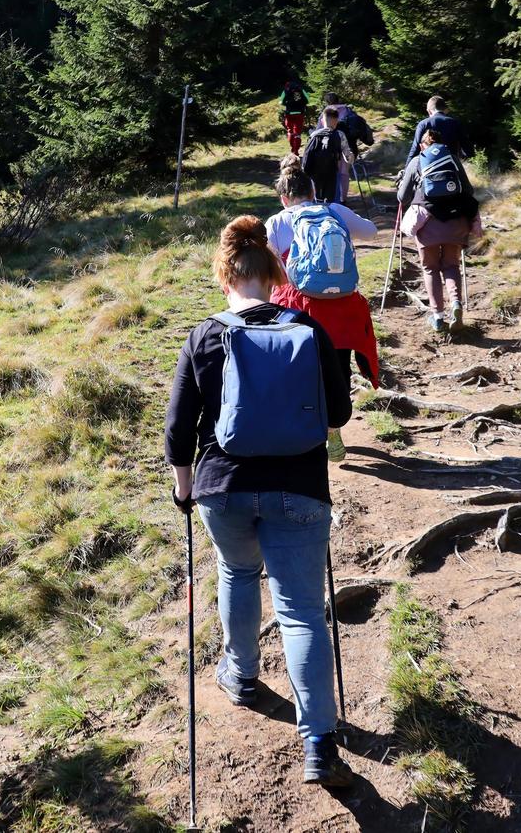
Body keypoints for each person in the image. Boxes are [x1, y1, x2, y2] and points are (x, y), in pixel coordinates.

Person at [165, 216, 355, 788]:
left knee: (238, 571)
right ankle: (320, 741)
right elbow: (339, 415)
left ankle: (242, 676)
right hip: (299, 487)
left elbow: (178, 430)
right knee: (300, 610)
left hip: (222, 486)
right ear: (276, 274)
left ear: (225, 274)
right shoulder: (310, 329)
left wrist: (184, 488)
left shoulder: (205, 335)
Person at [265, 154, 380, 462]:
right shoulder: (335, 211)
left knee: (297, 368)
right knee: (338, 365)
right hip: (339, 307)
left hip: (296, 307)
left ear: (284, 198)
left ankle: (302, 432)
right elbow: (371, 232)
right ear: (313, 192)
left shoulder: (277, 222)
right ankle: (334, 429)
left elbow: (269, 270)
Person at [398, 128, 480, 332]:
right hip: (456, 222)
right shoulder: (452, 159)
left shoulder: (417, 161)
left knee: (430, 269)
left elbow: (402, 197)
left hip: (428, 225)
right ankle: (456, 304)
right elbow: (468, 190)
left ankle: (438, 317)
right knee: (451, 266)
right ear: (443, 144)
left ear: (421, 145)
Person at [322, 92, 375, 202]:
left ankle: (335, 198)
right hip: (351, 146)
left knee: (334, 172)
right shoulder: (348, 110)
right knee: (344, 172)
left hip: (334, 145)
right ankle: (344, 199)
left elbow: (320, 129)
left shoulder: (327, 112)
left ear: (327, 101)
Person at [300, 106, 354, 204]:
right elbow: (347, 156)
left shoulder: (314, 135)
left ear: (322, 120)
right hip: (332, 172)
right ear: (337, 121)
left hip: (315, 173)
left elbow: (307, 154)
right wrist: (351, 157)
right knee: (333, 200)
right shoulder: (339, 134)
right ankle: (333, 215)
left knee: (316, 198)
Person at [405, 95, 476, 164]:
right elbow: (467, 147)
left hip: (429, 164)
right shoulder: (455, 122)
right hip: (451, 164)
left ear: (429, 111)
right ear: (445, 110)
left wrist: (406, 170)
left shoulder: (423, 124)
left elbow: (415, 149)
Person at [279, 79, 310, 155]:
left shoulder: (286, 90)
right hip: (300, 113)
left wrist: (286, 104)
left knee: (290, 131)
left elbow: (281, 101)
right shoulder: (300, 89)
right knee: (297, 133)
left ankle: (292, 148)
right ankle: (296, 151)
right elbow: (308, 100)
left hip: (289, 113)